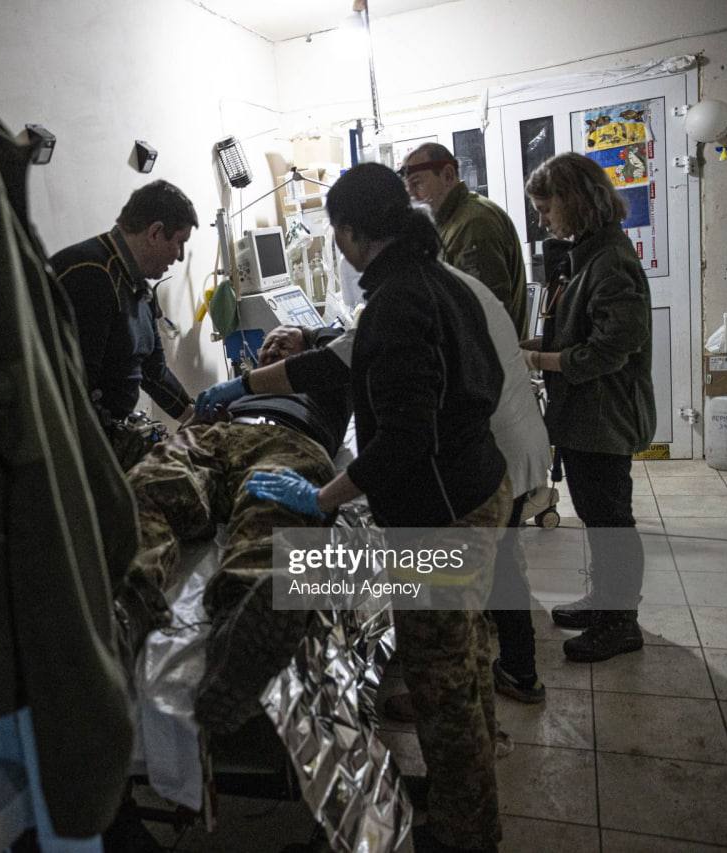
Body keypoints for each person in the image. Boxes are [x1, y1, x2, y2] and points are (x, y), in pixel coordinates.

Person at [245, 164, 510, 853]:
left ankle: (464, 832)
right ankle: (467, 793)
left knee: (441, 681)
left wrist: (322, 495)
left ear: (350, 231)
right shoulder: (435, 280)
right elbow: (343, 361)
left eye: (336, 231)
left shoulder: (397, 302)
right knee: (466, 658)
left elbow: (402, 441)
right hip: (478, 489)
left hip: (443, 516)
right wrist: (245, 386)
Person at [114, 326, 352, 733]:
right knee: (152, 481)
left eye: (286, 340)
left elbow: (339, 345)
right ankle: (128, 604)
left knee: (271, 507)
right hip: (216, 436)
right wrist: (201, 418)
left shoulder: (326, 376)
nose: (273, 345)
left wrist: (301, 338)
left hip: (288, 439)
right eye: (269, 342)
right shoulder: (237, 392)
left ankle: (244, 631)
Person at [523, 152, 656, 663]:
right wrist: (533, 344)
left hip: (603, 415)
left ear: (574, 201)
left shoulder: (611, 261)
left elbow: (610, 348)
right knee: (597, 516)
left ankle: (621, 624)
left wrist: (542, 359)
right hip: (585, 416)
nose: (543, 221)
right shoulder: (590, 255)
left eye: (546, 208)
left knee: (610, 521)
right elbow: (580, 329)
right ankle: (606, 603)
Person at [51, 181, 197, 458]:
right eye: (179, 242)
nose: (179, 256)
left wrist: (196, 415)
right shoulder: (90, 274)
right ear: (155, 232)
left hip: (110, 435)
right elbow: (75, 390)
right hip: (79, 446)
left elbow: (154, 373)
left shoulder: (138, 287)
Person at [401, 142, 528, 335]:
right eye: (407, 187)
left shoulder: (473, 224)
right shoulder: (453, 221)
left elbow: (486, 314)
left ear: (448, 175)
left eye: (417, 183)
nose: (411, 195)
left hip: (488, 352)